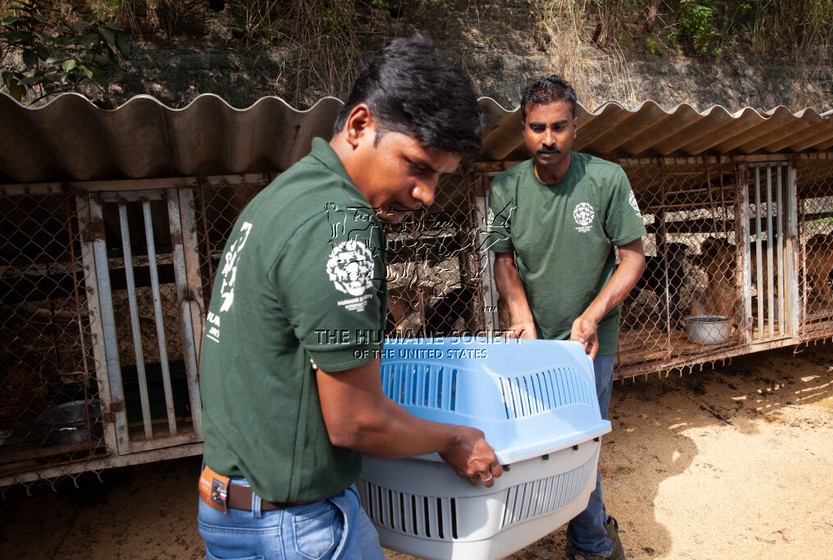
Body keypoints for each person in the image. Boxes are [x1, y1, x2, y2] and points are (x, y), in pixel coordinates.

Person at [196, 35, 503, 560]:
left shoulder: (284, 196)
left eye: (440, 176)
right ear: (360, 126)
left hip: (234, 506)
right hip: (293, 529)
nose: (427, 194)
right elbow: (355, 420)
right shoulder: (342, 226)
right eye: (417, 166)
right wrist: (453, 438)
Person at [486, 75, 646, 560]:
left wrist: (594, 315)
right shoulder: (504, 188)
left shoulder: (606, 179)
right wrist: (521, 316)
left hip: (589, 343)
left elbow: (633, 256)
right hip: (530, 341)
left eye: (559, 126)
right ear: (523, 129)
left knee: (580, 445)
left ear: (576, 127)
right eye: (537, 128)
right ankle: (560, 532)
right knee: (532, 442)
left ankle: (591, 544)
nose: (548, 139)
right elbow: (504, 259)